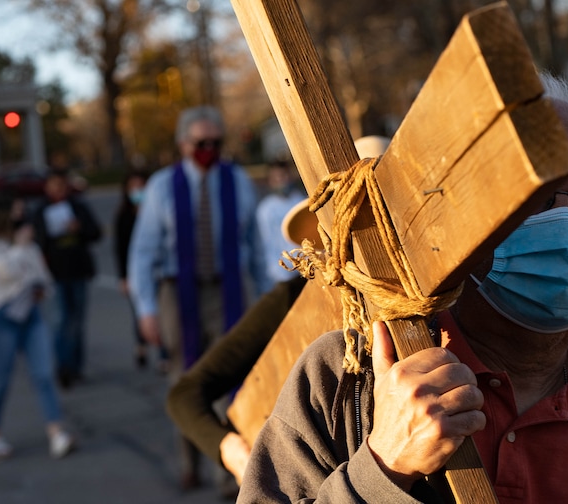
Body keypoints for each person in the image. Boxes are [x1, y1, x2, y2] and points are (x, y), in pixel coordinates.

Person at [237, 73, 568, 503]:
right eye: (531, 195)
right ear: (453, 223)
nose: (566, 223)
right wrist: (381, 470)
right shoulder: (344, 379)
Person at [166, 136, 390, 487]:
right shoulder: (295, 298)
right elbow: (186, 395)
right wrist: (237, 454)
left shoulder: (454, 297)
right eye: (356, 219)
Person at [128, 105, 266, 490]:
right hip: (179, 295)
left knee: (232, 379)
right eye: (200, 142)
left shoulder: (237, 182)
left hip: (229, 291)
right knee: (184, 381)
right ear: (182, 144)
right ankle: (189, 461)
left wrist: (268, 298)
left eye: (216, 142)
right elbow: (143, 253)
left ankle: (229, 472)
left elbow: (254, 246)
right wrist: (147, 310)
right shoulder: (160, 187)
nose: (209, 149)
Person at [0, 196, 75, 462]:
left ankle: (56, 431)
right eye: (16, 213)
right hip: (1, 317)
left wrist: (41, 288)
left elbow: (41, 273)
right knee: (2, 379)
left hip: (31, 314)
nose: (21, 218)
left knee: (43, 373)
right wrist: (19, 248)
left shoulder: (21, 241)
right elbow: (5, 272)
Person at [32, 170, 102, 389]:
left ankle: (76, 366)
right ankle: (64, 366)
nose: (58, 191)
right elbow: (35, 242)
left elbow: (95, 232)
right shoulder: (40, 210)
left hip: (78, 270)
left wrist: (79, 228)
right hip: (55, 274)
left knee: (77, 321)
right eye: (54, 186)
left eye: (61, 186)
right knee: (61, 321)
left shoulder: (78, 207)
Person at [112, 169, 169, 372]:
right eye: (133, 187)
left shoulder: (156, 211)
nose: (137, 191)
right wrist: (124, 277)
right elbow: (121, 249)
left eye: (141, 186)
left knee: (164, 314)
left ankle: (164, 355)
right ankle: (141, 346)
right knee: (141, 312)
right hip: (136, 273)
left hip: (160, 273)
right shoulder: (124, 217)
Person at [256, 159, 305, 290]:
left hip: (305, 270)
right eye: (276, 177)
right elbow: (265, 244)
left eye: (283, 175)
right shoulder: (265, 209)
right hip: (279, 275)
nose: (281, 180)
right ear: (270, 181)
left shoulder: (302, 202)